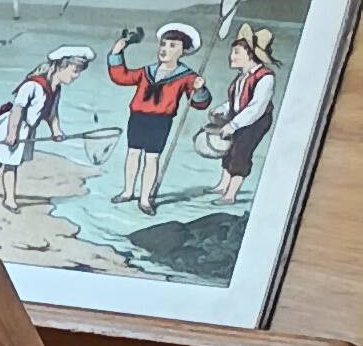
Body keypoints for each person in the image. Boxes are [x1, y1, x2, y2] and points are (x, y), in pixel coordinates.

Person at [107, 21, 210, 212]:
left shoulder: (186, 76)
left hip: (160, 122)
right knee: (132, 154)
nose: (165, 49)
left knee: (152, 158)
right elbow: (122, 77)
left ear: (183, 51)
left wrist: (200, 88)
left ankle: (145, 199)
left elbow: (199, 103)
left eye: (172, 46)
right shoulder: (147, 71)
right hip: (138, 117)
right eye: (163, 44)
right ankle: (128, 191)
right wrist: (116, 54)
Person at [0, 47, 78, 217]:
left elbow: (52, 114)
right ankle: (9, 199)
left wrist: (56, 131)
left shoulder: (56, 90)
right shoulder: (32, 85)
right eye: (74, 71)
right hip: (14, 126)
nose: (76, 75)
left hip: (27, 130)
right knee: (10, 163)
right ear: (60, 67)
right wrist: (12, 134)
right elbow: (17, 109)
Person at [217, 23, 280, 207]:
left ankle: (231, 194)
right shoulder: (242, 76)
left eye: (237, 52)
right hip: (240, 118)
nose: (232, 56)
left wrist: (234, 125)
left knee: (241, 153)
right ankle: (223, 185)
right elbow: (237, 101)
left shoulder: (265, 77)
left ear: (250, 55)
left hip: (255, 122)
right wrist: (222, 109)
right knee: (229, 150)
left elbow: (256, 107)